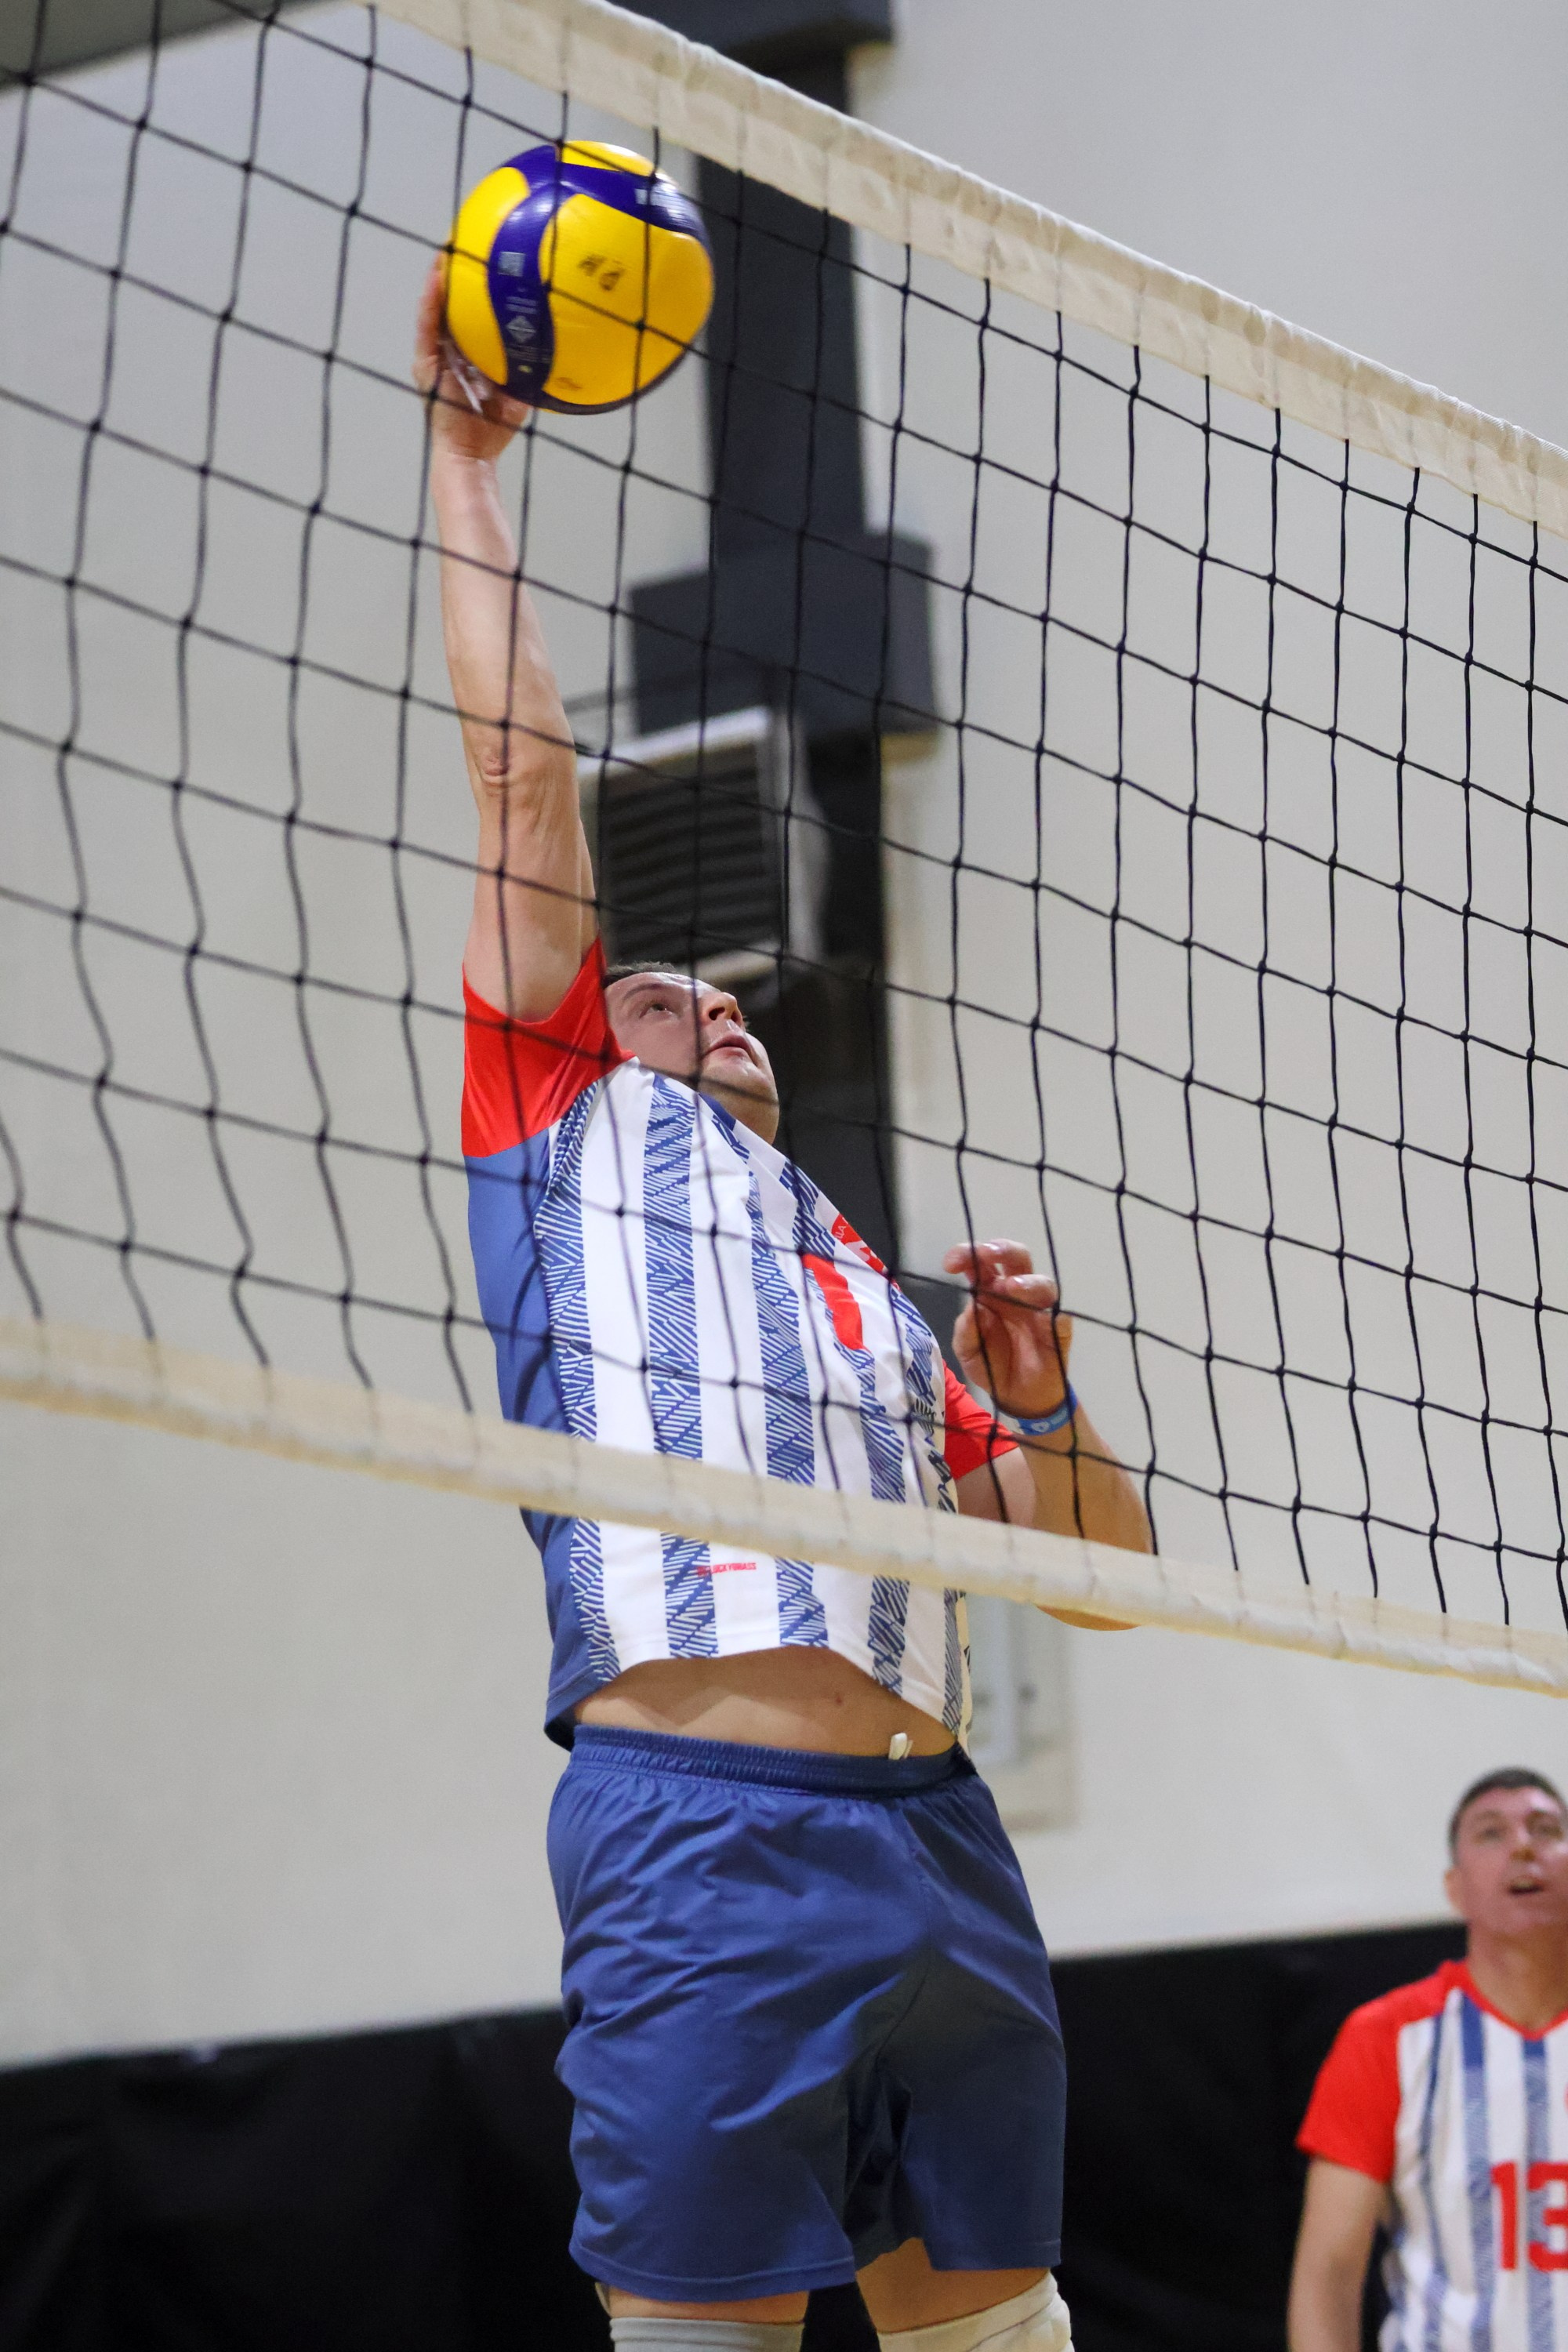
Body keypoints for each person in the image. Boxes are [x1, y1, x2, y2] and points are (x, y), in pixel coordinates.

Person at [415, 260, 1152, 2352]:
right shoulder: (561, 1135)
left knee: (1001, 2332)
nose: (713, 1002)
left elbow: (1095, 1587)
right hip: (705, 1835)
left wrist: (1055, 1401)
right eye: (666, 990)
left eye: (734, 1001)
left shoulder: (876, 1292)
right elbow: (530, 796)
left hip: (938, 1840)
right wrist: (470, 473)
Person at [1290, 1767, 1568, 2352]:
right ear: (1455, 1888)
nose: (1523, 1845)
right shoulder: (1385, 2038)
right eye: (1491, 1833)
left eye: (1545, 1829)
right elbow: (1329, 2277)